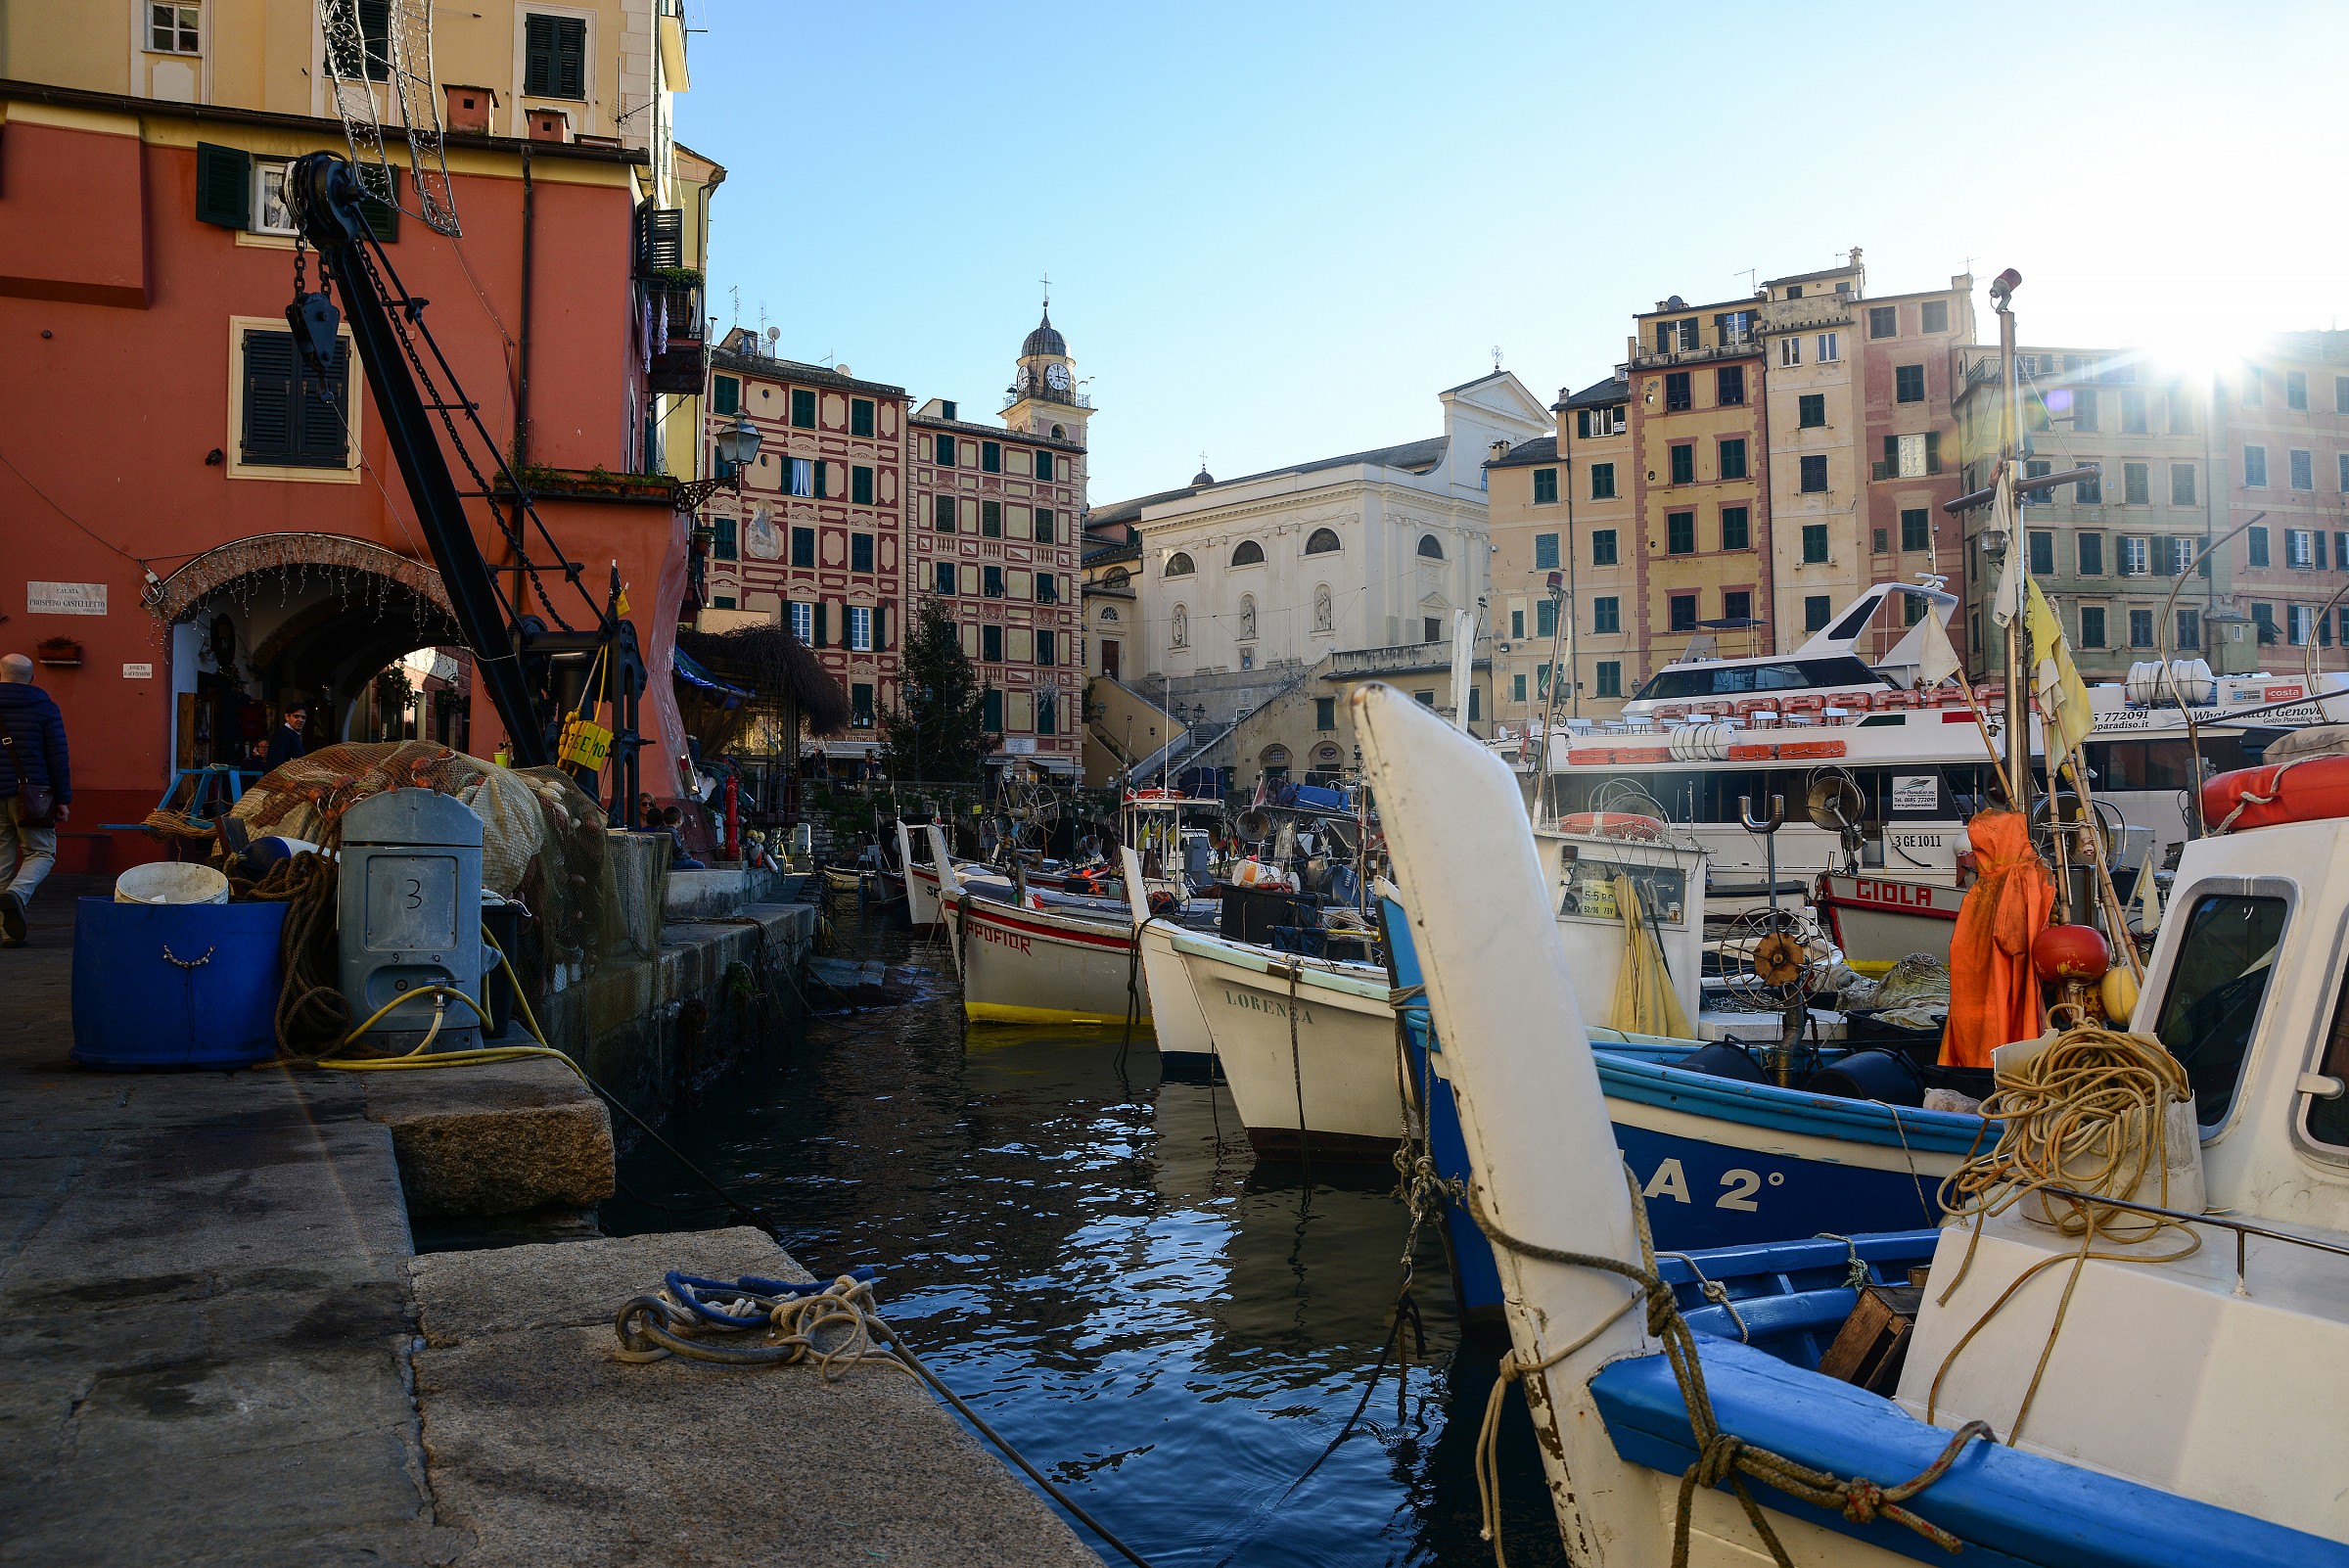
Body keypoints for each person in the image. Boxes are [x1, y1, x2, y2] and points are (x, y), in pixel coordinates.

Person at [0, 653, 71, 946]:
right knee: (41, 853)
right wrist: (63, 798)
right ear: (31, 677)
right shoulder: (44, 706)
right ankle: (17, 894)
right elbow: (58, 754)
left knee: (1, 862)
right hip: (31, 794)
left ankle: (6, 933)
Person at [261, 702, 309, 770]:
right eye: (296, 716)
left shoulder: (291, 734)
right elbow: (274, 763)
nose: (300, 720)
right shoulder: (282, 735)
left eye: (303, 717)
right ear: (287, 717)